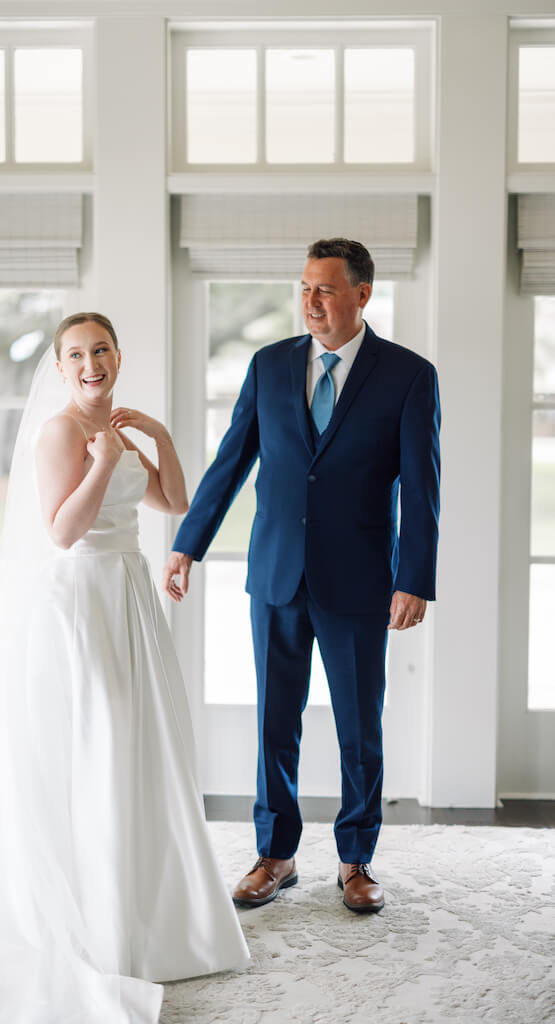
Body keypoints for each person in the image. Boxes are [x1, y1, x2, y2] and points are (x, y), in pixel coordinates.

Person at [0, 312, 249, 1024]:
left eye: (100, 349)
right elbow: (62, 530)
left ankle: (149, 914)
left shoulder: (124, 431)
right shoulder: (58, 433)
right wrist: (104, 462)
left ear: (117, 354)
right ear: (58, 367)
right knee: (93, 746)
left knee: (141, 745)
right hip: (81, 601)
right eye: (74, 354)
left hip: (128, 597)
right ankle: (91, 920)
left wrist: (156, 439)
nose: (89, 363)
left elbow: (176, 503)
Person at [163, 238, 441, 915]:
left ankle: (355, 860)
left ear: (361, 295)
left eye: (324, 289)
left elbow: (423, 485)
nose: (310, 301)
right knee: (273, 723)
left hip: (360, 581)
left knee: (357, 727)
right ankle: (274, 855)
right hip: (277, 574)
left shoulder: (408, 374)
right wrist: (186, 544)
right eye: (304, 288)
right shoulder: (268, 366)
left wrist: (415, 579)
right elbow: (232, 462)